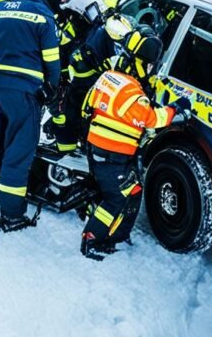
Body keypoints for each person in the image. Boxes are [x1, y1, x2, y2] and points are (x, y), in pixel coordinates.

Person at [0, 0, 75, 232]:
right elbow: (53, 61)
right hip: (24, 92)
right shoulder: (43, 15)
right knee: (18, 152)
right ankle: (11, 215)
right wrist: (50, 91)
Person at [80, 28, 191, 260]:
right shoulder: (133, 92)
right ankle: (92, 238)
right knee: (117, 198)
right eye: (150, 66)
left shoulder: (108, 77)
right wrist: (176, 109)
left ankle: (116, 235)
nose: (151, 71)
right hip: (112, 155)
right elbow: (152, 119)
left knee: (132, 190)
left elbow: (86, 107)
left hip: (99, 150)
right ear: (140, 63)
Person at [50, 0, 133, 155]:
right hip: (92, 89)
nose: (72, 21)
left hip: (98, 92)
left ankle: (67, 154)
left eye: (74, 16)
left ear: (84, 13)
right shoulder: (103, 27)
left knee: (66, 117)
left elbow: (114, 64)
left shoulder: (105, 33)